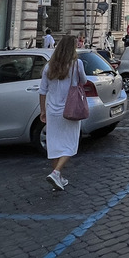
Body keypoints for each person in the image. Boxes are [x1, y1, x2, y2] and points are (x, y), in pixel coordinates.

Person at [37, 34, 87, 191]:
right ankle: (56, 172)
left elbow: (42, 91)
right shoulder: (76, 64)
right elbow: (84, 81)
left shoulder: (48, 67)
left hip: (52, 110)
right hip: (70, 110)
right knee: (71, 144)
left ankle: (57, 178)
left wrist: (43, 110)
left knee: (54, 145)